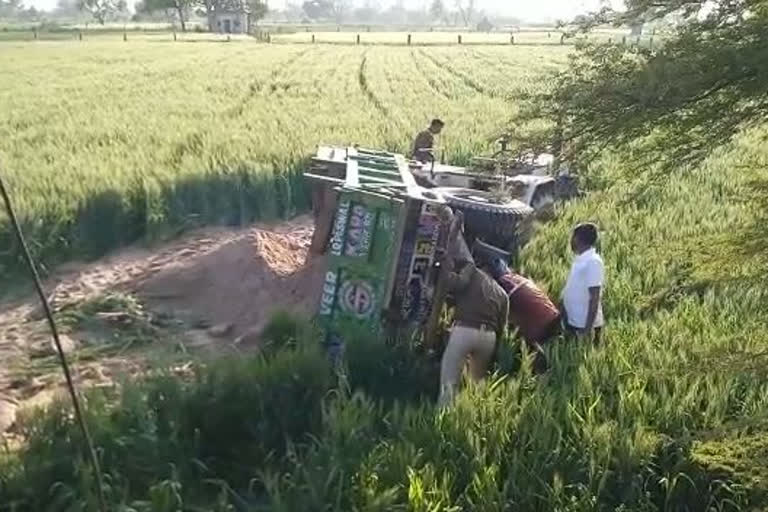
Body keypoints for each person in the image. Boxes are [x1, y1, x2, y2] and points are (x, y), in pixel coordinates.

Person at [439, 256, 508, 407]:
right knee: (475, 388)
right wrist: (495, 353)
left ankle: (442, 419)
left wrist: (443, 270)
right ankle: (469, 418)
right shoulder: (503, 294)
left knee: (449, 385)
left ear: (484, 266)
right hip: (489, 337)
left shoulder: (473, 271)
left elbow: (456, 283)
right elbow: (502, 328)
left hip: (465, 330)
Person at [487, 257, 561, 374]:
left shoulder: (503, 285)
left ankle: (538, 370)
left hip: (541, 326)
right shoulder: (518, 278)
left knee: (518, 335)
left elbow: (501, 315)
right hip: (555, 316)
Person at [561, 223, 605, 344]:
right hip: (574, 321)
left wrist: (587, 329)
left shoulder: (593, 262)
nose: (571, 241)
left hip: (584, 325)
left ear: (578, 239)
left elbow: (595, 297)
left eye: (573, 237)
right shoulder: (580, 260)